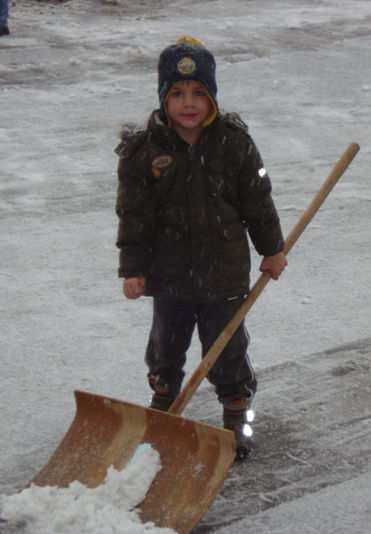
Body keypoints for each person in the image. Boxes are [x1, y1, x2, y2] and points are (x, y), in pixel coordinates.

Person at [115, 36, 287, 459]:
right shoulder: (144, 151)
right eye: (177, 93)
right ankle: (164, 401)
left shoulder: (234, 144)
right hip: (168, 274)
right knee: (165, 346)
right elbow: (134, 217)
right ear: (162, 97)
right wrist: (133, 268)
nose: (188, 103)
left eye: (198, 93)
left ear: (212, 96)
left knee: (228, 350)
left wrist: (273, 248)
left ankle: (237, 415)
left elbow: (257, 203)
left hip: (224, 273)